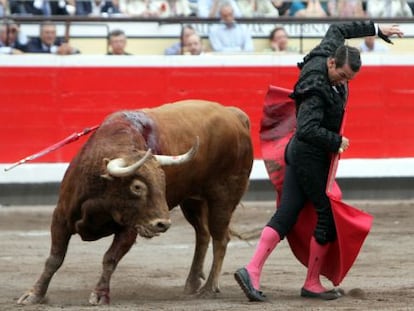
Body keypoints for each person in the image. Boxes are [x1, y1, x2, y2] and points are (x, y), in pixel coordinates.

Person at [234, 21, 403, 302]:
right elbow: (307, 129)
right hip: (309, 155)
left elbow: (339, 27)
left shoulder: (328, 49)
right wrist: (336, 141)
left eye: (349, 79)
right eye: (342, 75)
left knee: (288, 212)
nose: (343, 81)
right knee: (326, 215)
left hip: (299, 153)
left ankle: (252, 270)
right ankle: (311, 283)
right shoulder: (315, 86)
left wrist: (376, 29)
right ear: (332, 62)